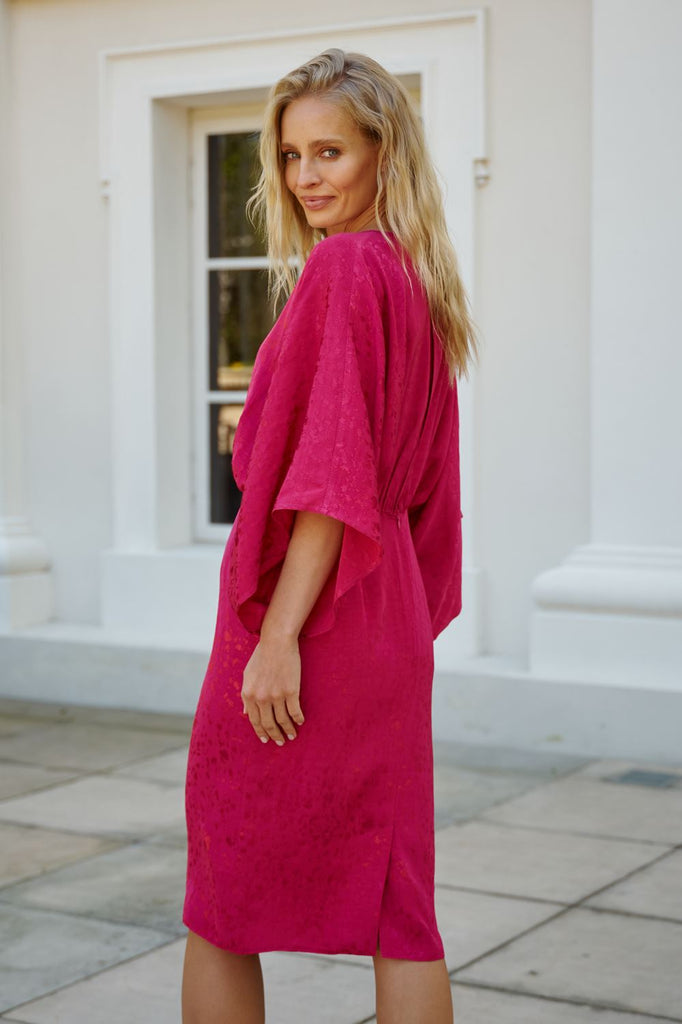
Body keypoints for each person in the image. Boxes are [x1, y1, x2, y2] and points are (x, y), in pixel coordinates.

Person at [181, 48, 478, 1024]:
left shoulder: (348, 266)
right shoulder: (415, 276)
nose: (305, 176)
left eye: (329, 152)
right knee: (401, 907)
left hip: (314, 616)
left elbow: (330, 479)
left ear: (382, 152)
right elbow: (414, 492)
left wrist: (276, 637)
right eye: (290, 154)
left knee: (223, 894)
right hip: (381, 612)